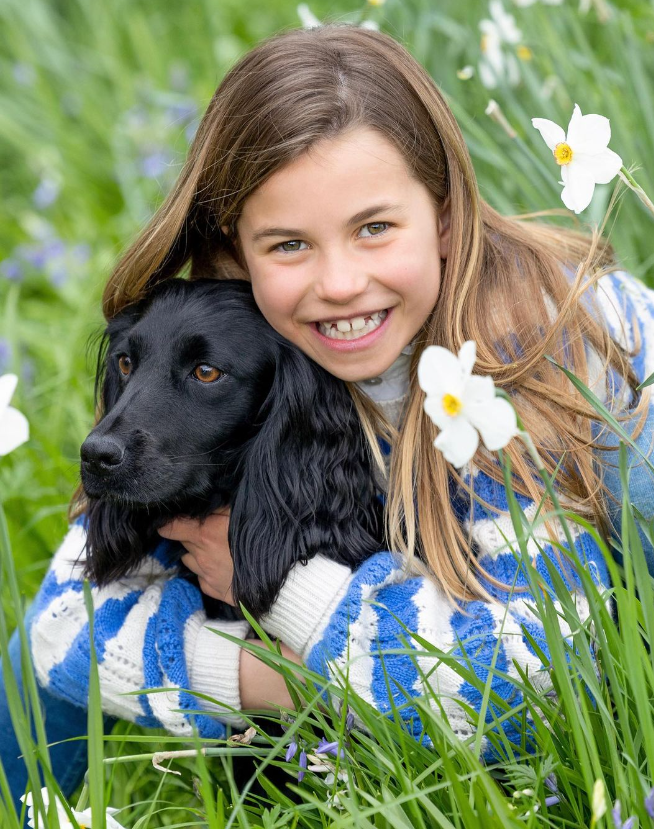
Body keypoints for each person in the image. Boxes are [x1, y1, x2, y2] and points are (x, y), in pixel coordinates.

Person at [3, 22, 654, 814]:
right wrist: (271, 674)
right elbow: (58, 632)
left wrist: (283, 617)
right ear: (236, 253)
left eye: (374, 227)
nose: (341, 283)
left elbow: (522, 686)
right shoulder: (261, 348)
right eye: (289, 244)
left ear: (445, 218)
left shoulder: (532, 354)